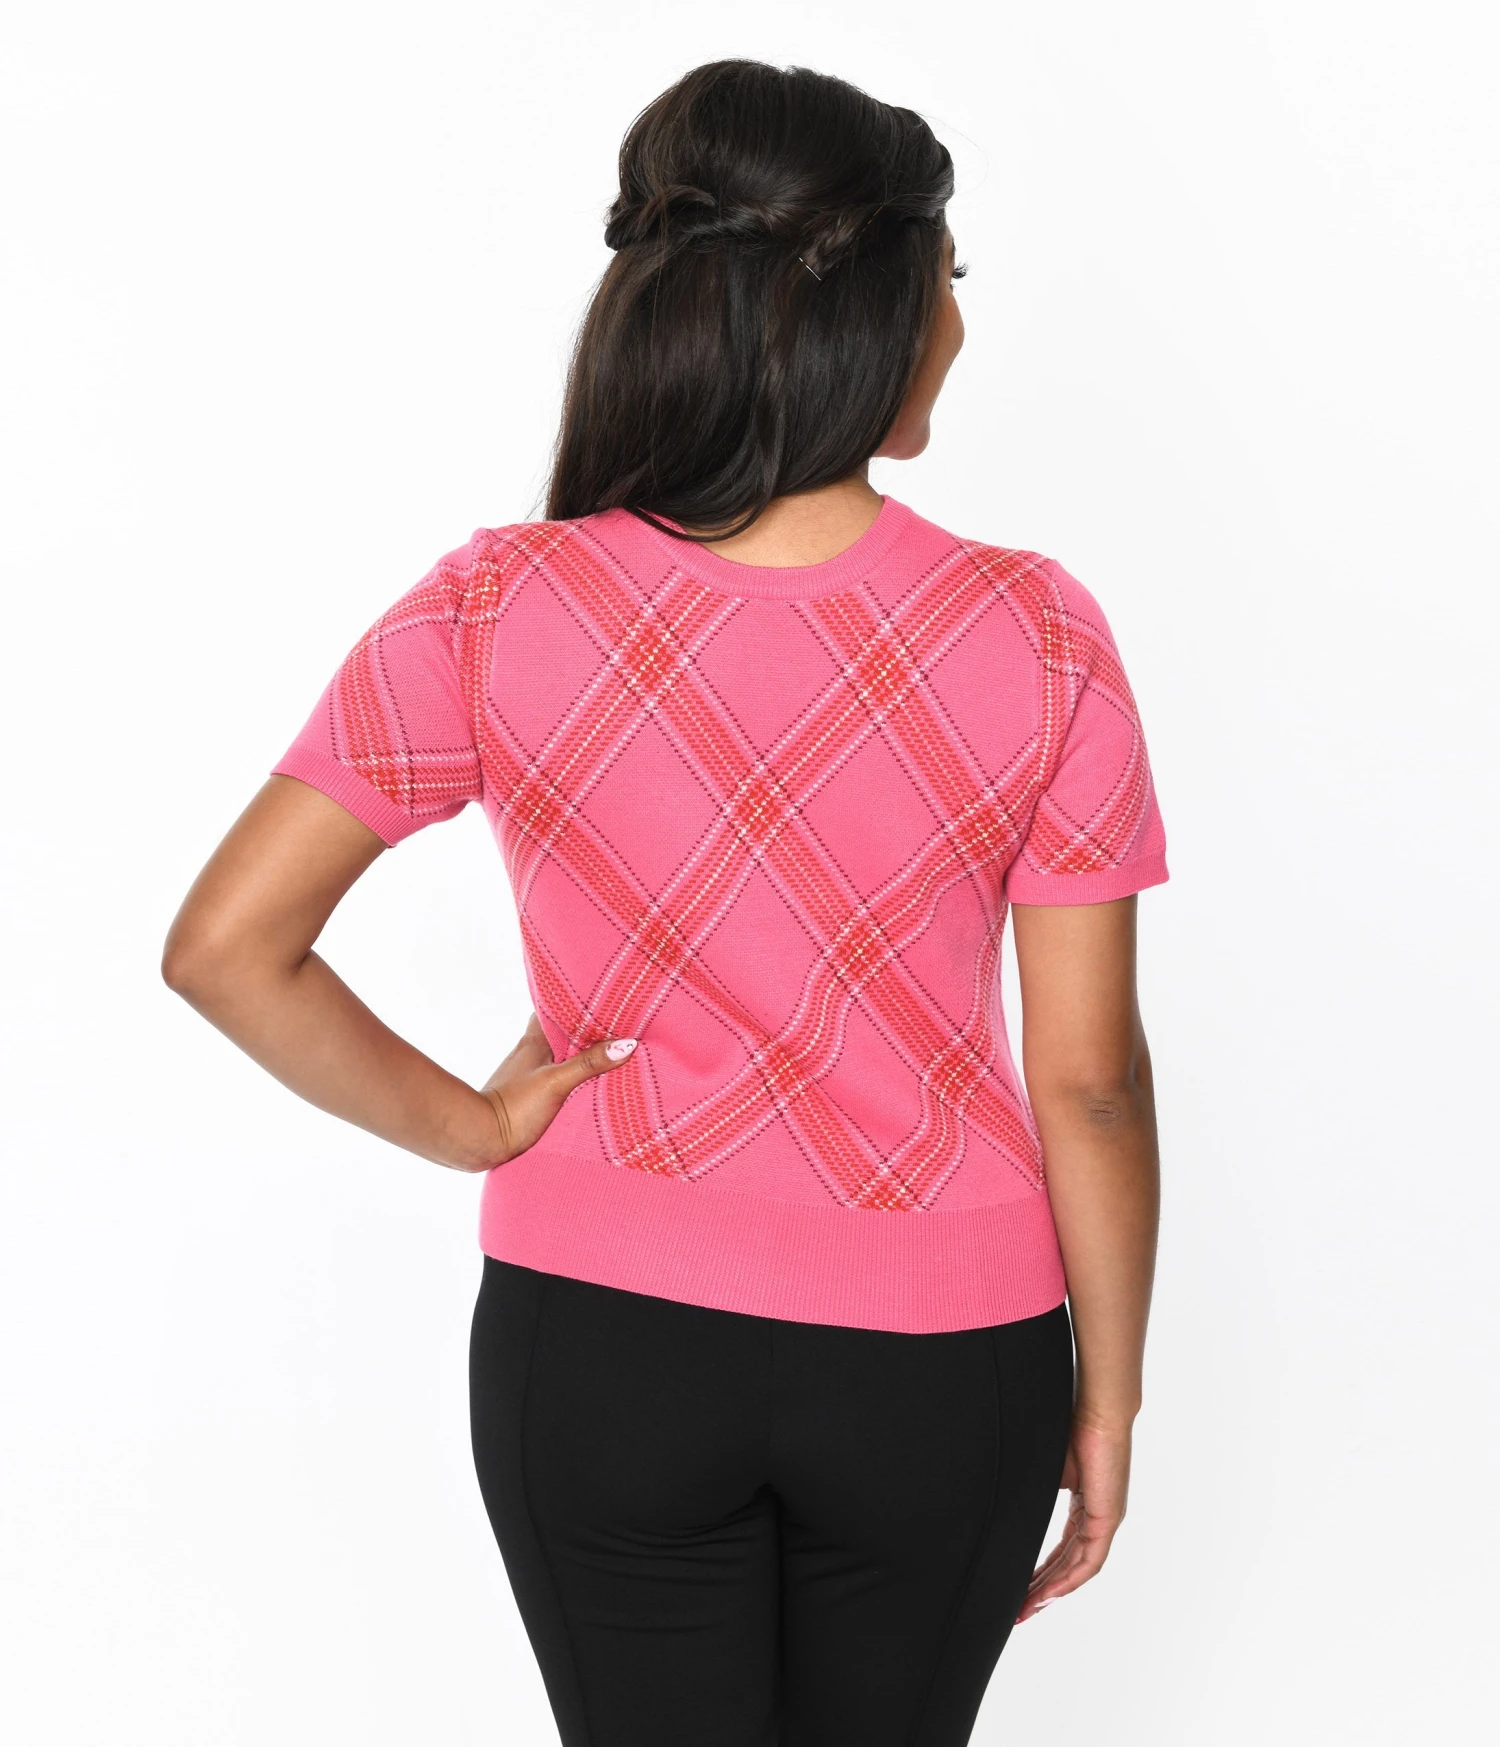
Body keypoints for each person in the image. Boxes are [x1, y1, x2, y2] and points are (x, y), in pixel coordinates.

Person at [163, 58, 1167, 1747]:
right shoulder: (1039, 631)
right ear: (875, 307)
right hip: (940, 1359)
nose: (959, 324)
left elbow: (226, 949)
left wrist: (477, 1127)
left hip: (603, 1341)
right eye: (951, 277)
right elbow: (1091, 1082)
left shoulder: (497, 603)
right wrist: (1111, 1397)